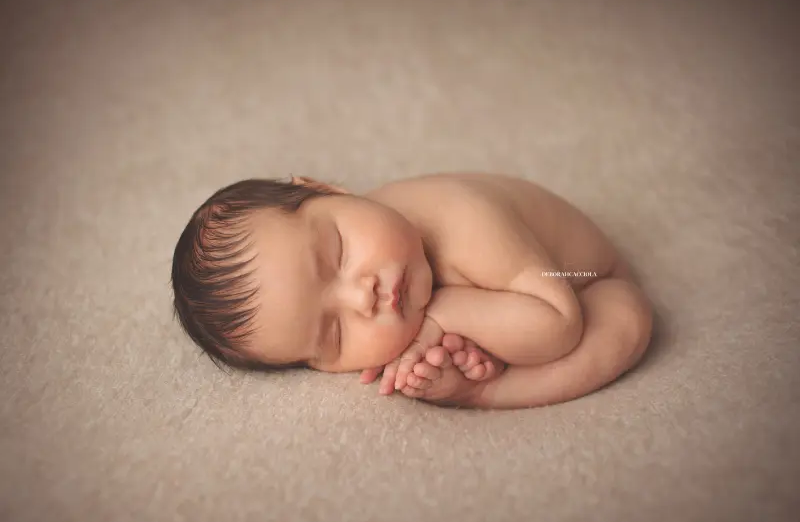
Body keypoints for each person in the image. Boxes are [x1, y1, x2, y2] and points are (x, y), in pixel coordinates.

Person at [171, 172, 652, 409]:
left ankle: (490, 393)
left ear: (328, 189)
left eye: (337, 253)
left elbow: (559, 327)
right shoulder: (387, 247)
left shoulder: (464, 221)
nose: (363, 298)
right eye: (335, 334)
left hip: (577, 284)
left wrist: (445, 314)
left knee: (628, 318)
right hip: (514, 308)